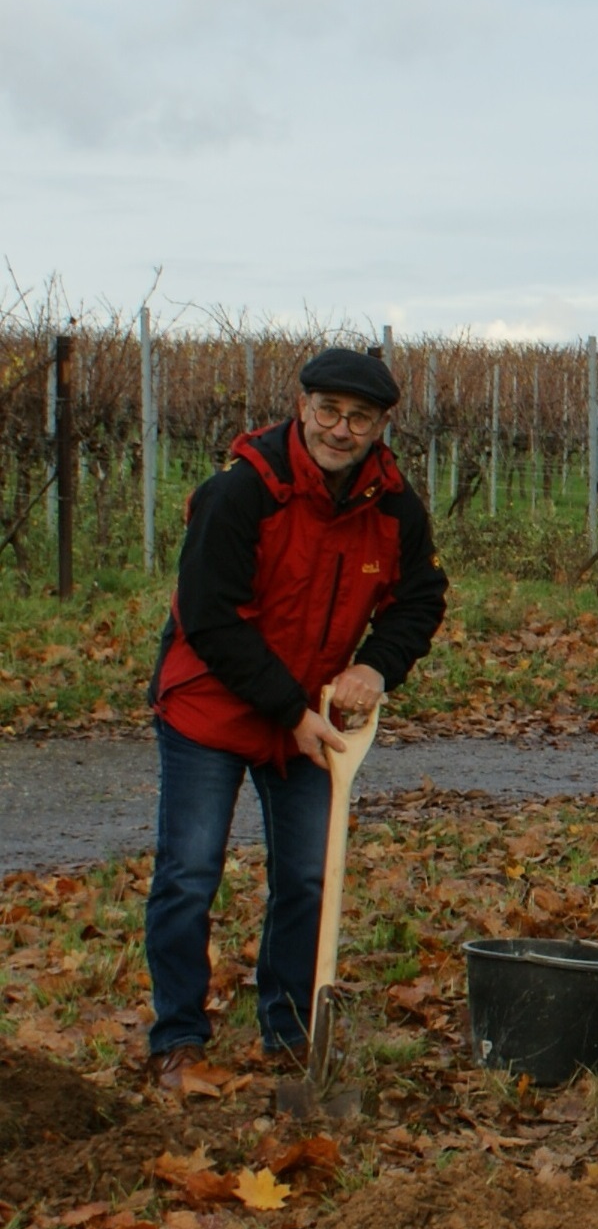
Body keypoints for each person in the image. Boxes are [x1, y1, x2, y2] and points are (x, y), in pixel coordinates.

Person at [144, 347, 447, 1089]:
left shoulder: (393, 508)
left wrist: (376, 668)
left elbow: (420, 598)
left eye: (361, 418)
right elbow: (210, 619)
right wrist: (289, 712)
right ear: (301, 406)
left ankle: (287, 1027)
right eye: (329, 412)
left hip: (313, 715)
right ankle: (177, 1036)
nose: (340, 431)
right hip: (210, 706)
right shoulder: (240, 493)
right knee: (189, 872)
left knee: (309, 876)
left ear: (381, 426)